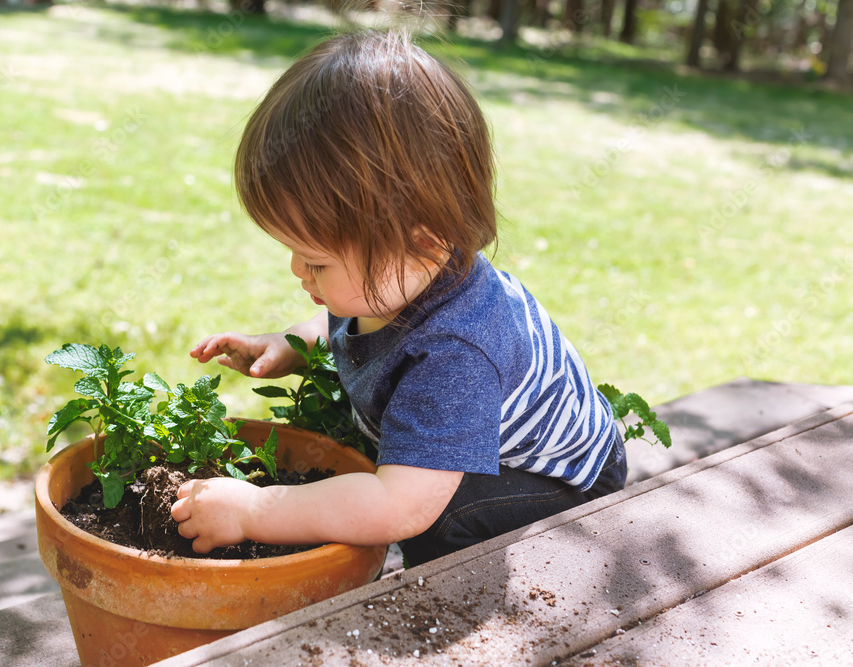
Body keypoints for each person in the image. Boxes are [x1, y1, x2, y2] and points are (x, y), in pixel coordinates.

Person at [170, 28, 627, 566]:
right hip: (497, 448)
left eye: (316, 260)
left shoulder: (457, 353)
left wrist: (256, 509)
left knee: (442, 526)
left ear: (424, 242)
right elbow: (347, 320)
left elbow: (397, 507)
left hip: (558, 484)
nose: (296, 269)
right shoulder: (401, 279)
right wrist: (294, 342)